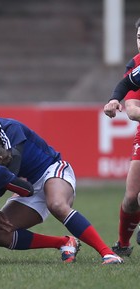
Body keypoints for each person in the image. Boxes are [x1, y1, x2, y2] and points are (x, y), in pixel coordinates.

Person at [0, 109, 124, 264]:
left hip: (52, 170)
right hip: (29, 184)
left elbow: (12, 168)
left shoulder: (12, 128)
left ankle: (108, 254)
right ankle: (63, 243)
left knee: (57, 204)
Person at [103, 18, 140, 257]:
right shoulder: (137, 65)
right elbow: (132, 104)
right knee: (130, 198)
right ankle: (123, 244)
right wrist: (114, 99)